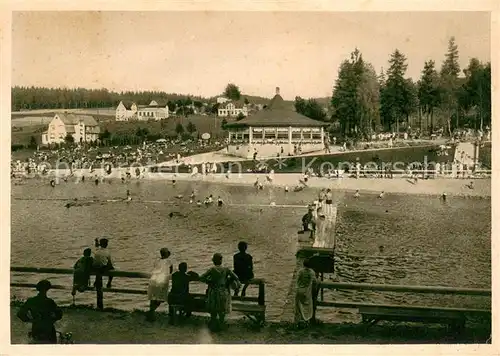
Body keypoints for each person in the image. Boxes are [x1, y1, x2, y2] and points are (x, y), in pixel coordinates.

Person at [199, 253, 240, 331]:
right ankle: (221, 323)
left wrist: (209, 281)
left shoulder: (212, 269)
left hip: (214, 291)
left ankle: (214, 324)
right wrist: (228, 281)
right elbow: (236, 277)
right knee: (222, 309)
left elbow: (201, 278)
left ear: (214, 261)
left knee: (213, 309)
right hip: (223, 291)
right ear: (221, 260)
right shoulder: (226, 269)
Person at [17, 280, 63, 344]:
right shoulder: (50, 302)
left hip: (36, 327)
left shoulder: (31, 301)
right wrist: (52, 320)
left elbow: (20, 314)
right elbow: (59, 315)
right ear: (47, 289)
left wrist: (31, 320)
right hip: (49, 328)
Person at [147, 248, 173, 321]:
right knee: (161, 298)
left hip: (154, 279)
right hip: (162, 280)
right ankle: (151, 312)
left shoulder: (157, 261)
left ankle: (151, 313)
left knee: (153, 298)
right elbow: (170, 271)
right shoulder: (168, 262)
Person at [295, 259, 318, 328]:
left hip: (299, 290)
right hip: (307, 291)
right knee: (308, 306)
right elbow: (315, 281)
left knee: (299, 305)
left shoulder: (300, 271)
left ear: (303, 264)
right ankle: (306, 320)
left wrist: (297, 287)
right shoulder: (311, 272)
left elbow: (297, 280)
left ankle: (299, 320)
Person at [93, 238, 114, 310]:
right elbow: (109, 261)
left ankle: (96, 281)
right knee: (112, 269)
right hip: (102, 268)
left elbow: (97, 246)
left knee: (99, 270)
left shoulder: (97, 251)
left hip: (95, 268)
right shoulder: (107, 252)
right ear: (106, 244)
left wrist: (96, 242)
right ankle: (109, 282)